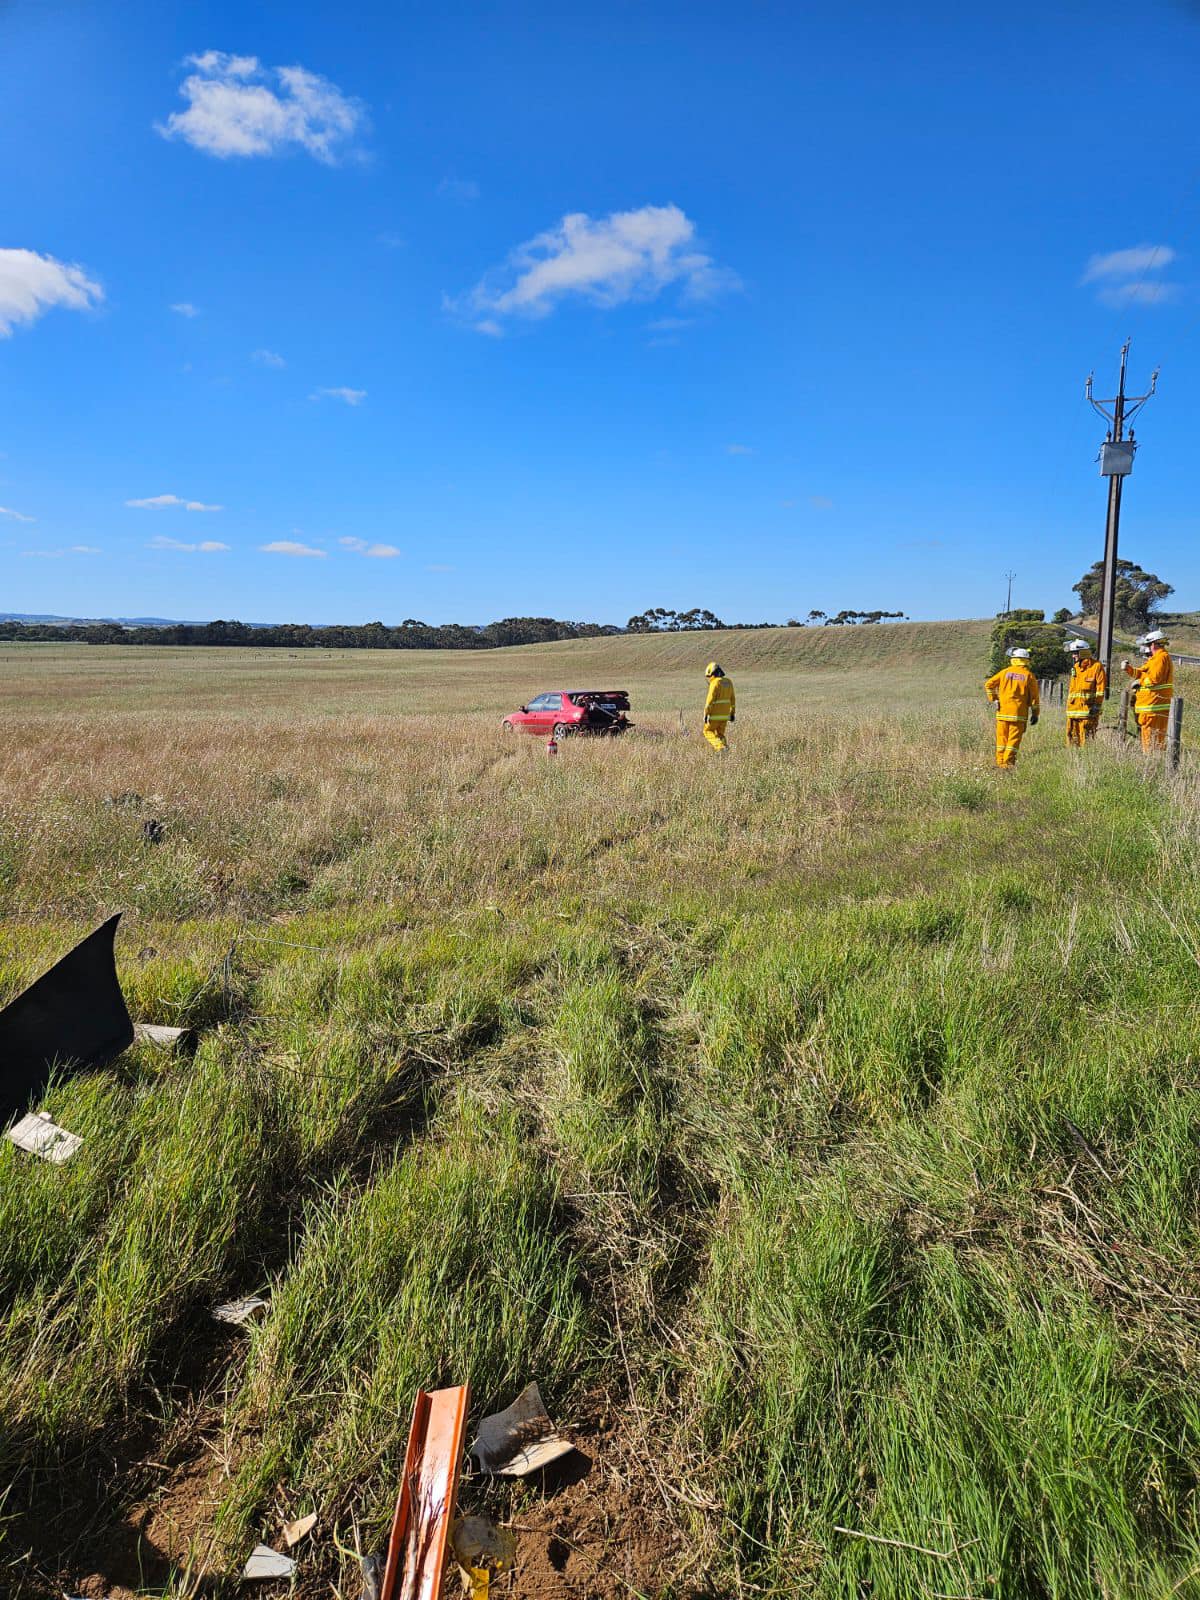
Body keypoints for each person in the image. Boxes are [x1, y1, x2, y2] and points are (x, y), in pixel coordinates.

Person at [984, 646, 1040, 769]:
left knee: (1001, 739)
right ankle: (1008, 764)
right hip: (1018, 714)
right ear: (1026, 660)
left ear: (1014, 659)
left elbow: (988, 685)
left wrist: (994, 699)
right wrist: (1035, 713)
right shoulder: (1028, 675)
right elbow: (1035, 697)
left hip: (1002, 713)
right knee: (1013, 741)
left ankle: (1000, 762)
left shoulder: (1004, 672)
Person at [1122, 628, 1173, 751]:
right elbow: (1141, 673)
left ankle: (1152, 764)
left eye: (1148, 645)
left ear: (1154, 644)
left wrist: (1140, 682)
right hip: (1150, 707)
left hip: (1154, 707)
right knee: (1152, 740)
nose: (1148, 648)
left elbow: (1154, 679)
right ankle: (1152, 761)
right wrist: (1128, 669)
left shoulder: (1161, 657)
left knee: (1152, 742)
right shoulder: (1154, 660)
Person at [1064, 638, 1106, 746]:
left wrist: (1097, 705)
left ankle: (1086, 760)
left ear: (1083, 653)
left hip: (1088, 713)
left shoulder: (1096, 667)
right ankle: (1073, 761)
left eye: (1075, 653)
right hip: (1073, 712)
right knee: (1072, 740)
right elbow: (1072, 690)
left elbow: (1100, 689)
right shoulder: (1075, 668)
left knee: (1086, 742)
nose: (1073, 656)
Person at [703, 662, 735, 751]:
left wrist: (706, 714)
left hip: (715, 715)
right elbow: (733, 699)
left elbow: (710, 701)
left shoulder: (714, 683)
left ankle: (720, 748)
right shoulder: (729, 682)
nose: (709, 679)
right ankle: (725, 750)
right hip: (725, 716)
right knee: (720, 734)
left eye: (709, 677)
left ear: (712, 674)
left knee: (707, 731)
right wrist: (732, 713)